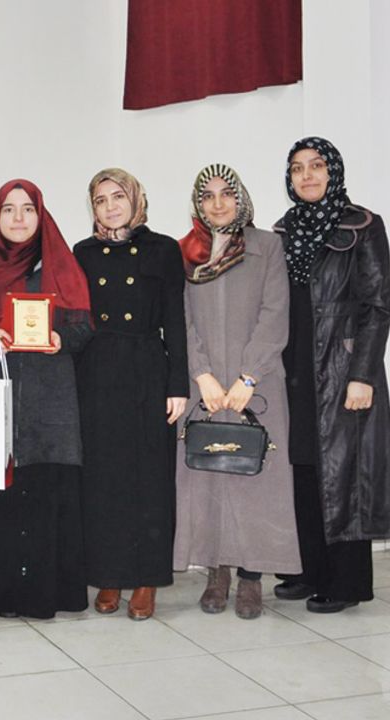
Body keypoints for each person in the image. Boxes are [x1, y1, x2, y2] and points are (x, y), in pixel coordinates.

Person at [0, 179, 92, 619]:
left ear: (41, 214)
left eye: (27, 209)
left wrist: (61, 338)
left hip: (50, 399)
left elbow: (84, 327)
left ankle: (46, 593)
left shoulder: (62, 264)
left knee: (44, 491)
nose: (18, 218)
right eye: (8, 209)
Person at [172, 164, 298, 620]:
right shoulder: (187, 253)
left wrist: (248, 377)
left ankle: (250, 576)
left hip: (256, 387)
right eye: (207, 196)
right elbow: (181, 320)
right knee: (208, 477)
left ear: (240, 197)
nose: (218, 203)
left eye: (226, 193)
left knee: (258, 480)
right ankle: (217, 572)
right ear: (198, 205)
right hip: (204, 387)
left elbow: (275, 312)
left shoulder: (267, 246)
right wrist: (202, 374)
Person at [272, 137, 390, 613]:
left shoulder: (362, 226)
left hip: (342, 367)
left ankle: (346, 582)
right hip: (295, 366)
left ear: (333, 171)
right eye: (297, 168)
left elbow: (379, 305)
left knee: (344, 474)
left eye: (316, 165)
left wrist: (363, 374)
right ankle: (309, 570)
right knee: (303, 466)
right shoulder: (284, 231)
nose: (307, 175)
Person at [73, 168, 187, 621]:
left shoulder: (164, 249)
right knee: (103, 478)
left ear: (136, 199)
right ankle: (109, 574)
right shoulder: (82, 253)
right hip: (97, 372)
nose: (110, 206)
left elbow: (175, 320)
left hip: (146, 370)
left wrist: (178, 384)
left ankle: (146, 578)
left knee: (149, 478)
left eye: (118, 196)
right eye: (100, 200)